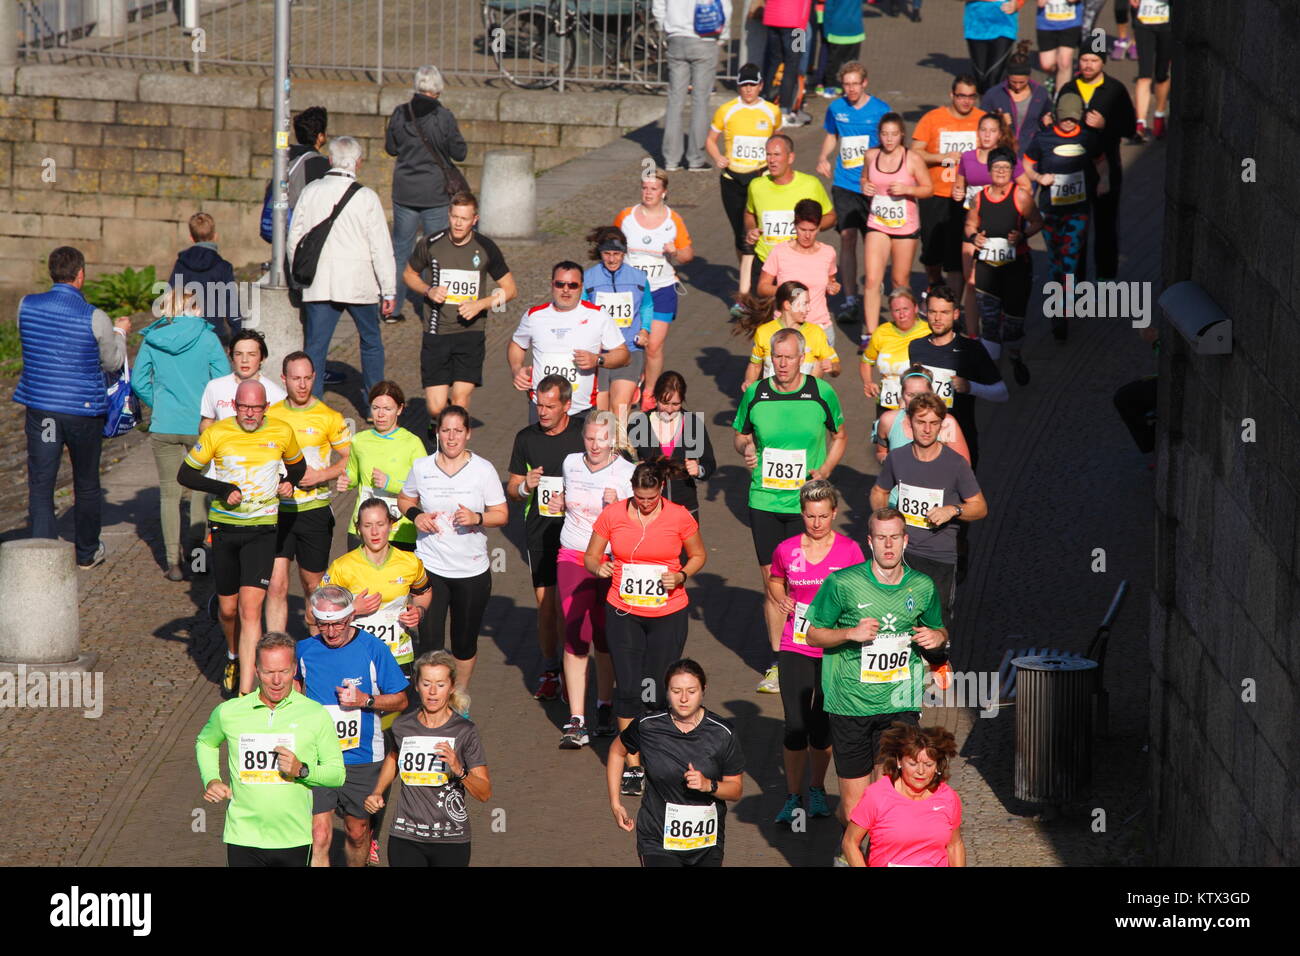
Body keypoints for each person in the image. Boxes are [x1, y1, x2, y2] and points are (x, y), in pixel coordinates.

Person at [804, 507, 948, 864]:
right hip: (850, 703)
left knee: (894, 798)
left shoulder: (922, 586)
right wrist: (849, 634)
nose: (888, 545)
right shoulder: (842, 584)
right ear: (869, 541)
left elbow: (940, 630)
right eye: (881, 538)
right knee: (857, 808)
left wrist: (936, 636)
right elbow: (813, 634)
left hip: (900, 702)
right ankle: (848, 851)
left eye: (894, 537)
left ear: (905, 540)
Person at [177, 379, 315, 695]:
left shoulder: (281, 431)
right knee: (228, 610)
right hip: (225, 530)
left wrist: (286, 481)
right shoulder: (217, 433)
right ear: (234, 406)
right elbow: (186, 474)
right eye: (243, 407)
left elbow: (298, 467)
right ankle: (233, 654)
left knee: (250, 610)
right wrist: (223, 489)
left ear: (266, 407)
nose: (250, 413)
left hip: (262, 531)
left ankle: (246, 692)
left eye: (256, 407)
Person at [733, 327, 847, 695]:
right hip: (765, 501)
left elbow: (841, 435)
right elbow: (740, 435)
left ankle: (820, 650)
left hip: (807, 504)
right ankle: (780, 660)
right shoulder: (756, 393)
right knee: (774, 584)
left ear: (802, 358)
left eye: (788, 357)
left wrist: (825, 471)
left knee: (815, 580)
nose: (782, 364)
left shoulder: (820, 392)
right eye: (776, 357)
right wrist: (746, 450)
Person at [584, 462, 706, 795]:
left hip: (668, 612)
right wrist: (601, 567)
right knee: (628, 689)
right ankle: (634, 766)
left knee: (655, 688)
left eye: (651, 498)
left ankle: (659, 753)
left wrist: (681, 575)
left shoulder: (679, 515)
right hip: (624, 611)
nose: (645, 503)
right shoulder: (613, 514)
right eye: (639, 497)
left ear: (661, 489)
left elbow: (698, 554)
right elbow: (590, 557)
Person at [14, 246, 129, 570]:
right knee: (87, 482)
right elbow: (112, 361)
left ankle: (43, 556)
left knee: (41, 481)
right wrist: (119, 334)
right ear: (80, 275)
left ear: (52, 272)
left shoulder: (26, 305)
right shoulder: (95, 317)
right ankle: (87, 552)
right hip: (83, 411)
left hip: (42, 410)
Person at [196, 631, 345, 868]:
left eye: (283, 671)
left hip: (294, 837)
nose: (277, 681)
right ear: (256, 670)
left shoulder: (315, 714)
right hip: (243, 835)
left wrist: (302, 770)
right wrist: (212, 780)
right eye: (268, 672)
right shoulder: (230, 712)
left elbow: (337, 773)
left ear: (294, 669)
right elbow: (205, 742)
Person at [767, 480, 864, 825]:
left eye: (823, 516)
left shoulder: (850, 551)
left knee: (822, 726)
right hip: (797, 643)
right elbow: (776, 579)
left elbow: (860, 593)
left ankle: (817, 789)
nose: (817, 523)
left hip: (835, 650)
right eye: (810, 516)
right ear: (803, 514)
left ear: (834, 513)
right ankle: (793, 796)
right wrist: (780, 597)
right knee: (795, 725)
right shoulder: (786, 549)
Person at [296, 585, 409, 867]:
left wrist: (365, 699)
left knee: (357, 832)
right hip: (319, 757)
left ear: (351, 618)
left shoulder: (374, 649)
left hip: (362, 758)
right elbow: (291, 687)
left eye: (338, 624)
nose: (331, 632)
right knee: (319, 833)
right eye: (324, 625)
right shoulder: (304, 650)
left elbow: (401, 700)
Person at [397, 405, 508, 692]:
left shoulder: (483, 470)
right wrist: (416, 516)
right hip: (431, 567)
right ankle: (429, 703)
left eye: (458, 430)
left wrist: (477, 518)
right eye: (445, 430)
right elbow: (405, 499)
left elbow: (502, 513)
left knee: (463, 643)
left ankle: (458, 700)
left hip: (471, 571)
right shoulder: (422, 467)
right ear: (437, 432)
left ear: (468, 434)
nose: (451, 437)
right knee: (430, 642)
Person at [131, 285, 229, 580]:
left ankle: (173, 562)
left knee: (169, 494)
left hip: (164, 424)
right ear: (195, 308)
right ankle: (198, 554)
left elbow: (138, 382)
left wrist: (157, 402)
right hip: (200, 425)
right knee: (200, 490)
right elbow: (222, 381)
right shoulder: (208, 338)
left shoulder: (153, 338)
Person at [288, 136, 397, 397]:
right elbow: (381, 247)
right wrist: (389, 290)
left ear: (330, 160)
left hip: (319, 282)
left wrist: (298, 277)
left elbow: (294, 239)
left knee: (316, 346)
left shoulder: (311, 191)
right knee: (371, 342)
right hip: (359, 284)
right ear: (358, 163)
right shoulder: (367, 197)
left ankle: (311, 403)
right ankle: (374, 403)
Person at [608, 659, 744, 866]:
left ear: (703, 690)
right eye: (676, 690)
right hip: (657, 837)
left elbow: (735, 790)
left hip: (707, 842)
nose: (683, 699)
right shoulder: (648, 726)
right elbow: (617, 752)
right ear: (667, 691)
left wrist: (709, 785)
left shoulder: (722, 732)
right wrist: (616, 804)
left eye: (691, 691)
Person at [870, 393, 989, 626]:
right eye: (920, 422)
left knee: (934, 630)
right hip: (900, 554)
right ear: (909, 423)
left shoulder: (955, 464)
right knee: (895, 623)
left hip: (938, 558)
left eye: (933, 423)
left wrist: (952, 510)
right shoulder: (897, 458)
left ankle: (937, 663)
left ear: (941, 425)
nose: (926, 429)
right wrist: (883, 524)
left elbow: (980, 507)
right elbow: (878, 492)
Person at [553, 411, 635, 747]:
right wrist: (559, 503)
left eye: (602, 439)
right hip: (573, 553)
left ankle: (603, 705)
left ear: (613, 440)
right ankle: (576, 719)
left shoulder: (627, 472)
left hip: (612, 558)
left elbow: (639, 519)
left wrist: (620, 508)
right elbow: (563, 502)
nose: (595, 445)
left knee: (604, 634)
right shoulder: (570, 463)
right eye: (590, 438)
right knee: (576, 633)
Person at [365, 651, 491, 867]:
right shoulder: (402, 726)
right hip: (406, 836)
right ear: (416, 686)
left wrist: (458, 769)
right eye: (426, 684)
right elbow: (393, 758)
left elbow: (485, 792)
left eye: (440, 685)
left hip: (451, 838)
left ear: (451, 687)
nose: (432, 692)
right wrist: (377, 792)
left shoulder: (465, 731)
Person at [403, 190, 516, 426]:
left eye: (464, 219)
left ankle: (451, 450)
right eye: (454, 217)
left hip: (470, 333)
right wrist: (427, 290)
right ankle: (439, 425)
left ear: (475, 219)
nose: (458, 223)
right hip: (437, 333)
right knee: (435, 407)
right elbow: (409, 274)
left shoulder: (485, 247)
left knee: (460, 399)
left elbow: (509, 289)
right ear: (449, 215)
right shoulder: (431, 244)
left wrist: (480, 304)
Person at [505, 375, 587, 702]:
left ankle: (574, 668)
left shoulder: (584, 433)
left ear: (567, 405)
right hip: (540, 531)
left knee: (572, 607)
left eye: (550, 406)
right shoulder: (526, 438)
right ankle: (551, 670)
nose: (542, 411)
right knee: (546, 606)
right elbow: (512, 490)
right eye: (539, 404)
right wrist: (525, 485)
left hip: (579, 533)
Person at [264, 353, 352, 635]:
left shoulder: (330, 417)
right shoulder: (271, 415)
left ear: (314, 378)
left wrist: (322, 475)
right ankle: (275, 649)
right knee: (276, 584)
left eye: (306, 378)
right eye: (295, 378)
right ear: (284, 379)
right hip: (277, 511)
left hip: (313, 511)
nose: (301, 385)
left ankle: (315, 651)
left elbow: (351, 458)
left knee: (313, 585)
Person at [385, 65, 468, 323]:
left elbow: (391, 148)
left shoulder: (400, 113)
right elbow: (460, 153)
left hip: (405, 193)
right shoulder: (444, 117)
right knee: (436, 252)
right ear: (439, 89)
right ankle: (433, 309)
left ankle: (392, 308)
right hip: (435, 194)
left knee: (401, 251)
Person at [1023, 92, 1107, 339]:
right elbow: (1026, 164)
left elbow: (1102, 161)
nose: (1068, 122)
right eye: (1064, 118)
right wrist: (1039, 178)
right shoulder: (1043, 138)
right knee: (1054, 261)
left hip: (1077, 211)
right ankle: (1056, 306)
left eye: (1073, 118)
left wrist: (1103, 181)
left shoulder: (1087, 138)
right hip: (1050, 210)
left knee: (1069, 260)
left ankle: (1062, 312)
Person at [318, 498, 432, 680]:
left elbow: (423, 592)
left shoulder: (410, 562)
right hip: (355, 656)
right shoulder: (342, 567)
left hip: (398, 656)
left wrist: (419, 611)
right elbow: (313, 613)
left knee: (397, 706)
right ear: (359, 529)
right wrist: (351, 609)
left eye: (380, 524)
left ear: (391, 525)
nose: (374, 532)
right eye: (367, 525)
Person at [813, 61, 891, 325]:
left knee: (874, 241)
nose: (851, 89)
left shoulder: (880, 110)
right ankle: (849, 299)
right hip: (845, 183)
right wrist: (824, 156)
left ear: (865, 83)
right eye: (846, 84)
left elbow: (890, 144)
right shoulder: (836, 107)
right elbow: (832, 135)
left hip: (872, 187)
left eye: (855, 84)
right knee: (847, 238)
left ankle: (873, 286)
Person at [614, 170, 694, 410]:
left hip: (661, 289)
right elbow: (611, 242)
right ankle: (625, 384)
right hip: (631, 292)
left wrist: (675, 252)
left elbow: (688, 254)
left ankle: (649, 392)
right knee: (628, 342)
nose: (648, 193)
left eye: (654, 188)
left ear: (664, 192)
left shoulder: (673, 220)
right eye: (645, 188)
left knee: (654, 345)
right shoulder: (626, 216)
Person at [509, 262, 630, 419]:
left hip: (580, 411)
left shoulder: (598, 315)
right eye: (560, 284)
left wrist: (598, 359)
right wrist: (516, 369)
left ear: (581, 287)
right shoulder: (534, 316)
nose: (566, 290)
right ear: (552, 284)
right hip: (542, 409)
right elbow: (517, 344)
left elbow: (624, 356)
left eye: (572, 285)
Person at [705, 63, 783, 305]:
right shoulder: (726, 110)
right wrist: (717, 157)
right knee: (740, 233)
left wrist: (775, 167)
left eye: (752, 85)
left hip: (760, 178)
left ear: (760, 85)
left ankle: (761, 279)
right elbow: (710, 140)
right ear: (738, 86)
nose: (748, 90)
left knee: (761, 230)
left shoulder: (772, 111)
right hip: (732, 179)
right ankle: (747, 278)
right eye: (744, 85)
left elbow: (778, 142)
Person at [965, 147, 1043, 384]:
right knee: (988, 322)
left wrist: (1022, 235)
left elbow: (1037, 222)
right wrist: (973, 237)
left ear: (1011, 172)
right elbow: (969, 224)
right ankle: (991, 374)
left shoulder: (1020, 196)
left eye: (1005, 168)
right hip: (988, 268)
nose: (1000, 171)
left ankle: (1015, 356)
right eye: (997, 167)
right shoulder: (979, 198)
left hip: (1016, 270)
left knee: (1013, 325)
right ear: (989, 170)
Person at [907, 285, 1006, 471]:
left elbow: (1002, 393)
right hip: (922, 440)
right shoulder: (916, 347)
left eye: (944, 312)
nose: (937, 318)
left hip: (959, 440)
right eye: (933, 312)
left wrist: (970, 387)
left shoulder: (971, 349)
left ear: (955, 314)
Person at [1058, 49, 1136, 282]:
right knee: (1075, 227)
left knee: (1106, 225)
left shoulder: (1115, 90)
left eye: (1094, 60)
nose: (1088, 65)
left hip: (1107, 169)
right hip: (1074, 170)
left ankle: (1105, 278)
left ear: (1103, 62)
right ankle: (1077, 279)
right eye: (1084, 59)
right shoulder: (1069, 89)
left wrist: (1105, 124)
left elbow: (1130, 128)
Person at [842, 722, 965, 866]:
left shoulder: (948, 798)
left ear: (938, 765)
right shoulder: (877, 795)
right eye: (913, 764)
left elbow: (955, 846)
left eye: (928, 765)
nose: (921, 771)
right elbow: (849, 842)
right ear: (899, 761)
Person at [954, 112, 1029, 332]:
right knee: (971, 282)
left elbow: (1026, 187)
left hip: (1000, 229)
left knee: (999, 280)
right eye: (983, 130)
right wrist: (958, 193)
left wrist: (1005, 197)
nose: (987, 135)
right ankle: (973, 335)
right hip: (973, 227)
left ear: (1000, 134)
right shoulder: (967, 157)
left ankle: (1000, 321)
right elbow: (959, 188)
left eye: (992, 130)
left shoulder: (1005, 159)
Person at [861, 113, 932, 341]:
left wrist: (908, 190)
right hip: (878, 223)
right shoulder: (871, 155)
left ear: (902, 134)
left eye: (893, 134)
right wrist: (866, 186)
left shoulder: (912, 159)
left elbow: (928, 188)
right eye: (884, 134)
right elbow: (864, 178)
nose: (889, 139)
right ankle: (870, 334)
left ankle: (906, 330)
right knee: (872, 279)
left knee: (900, 282)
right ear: (879, 135)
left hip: (904, 226)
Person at [912, 77, 985, 294]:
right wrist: (942, 156)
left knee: (956, 251)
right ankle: (934, 283)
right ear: (952, 95)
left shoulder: (982, 120)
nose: (966, 101)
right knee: (931, 248)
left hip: (968, 196)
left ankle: (952, 304)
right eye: (962, 96)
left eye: (971, 96)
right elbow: (915, 152)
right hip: (935, 193)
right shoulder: (933, 119)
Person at [337, 381, 425, 552]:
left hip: (399, 531)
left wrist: (389, 484)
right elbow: (354, 474)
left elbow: (424, 489)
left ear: (399, 409)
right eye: (376, 408)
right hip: (362, 528)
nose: (381, 415)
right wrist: (347, 480)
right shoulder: (359, 440)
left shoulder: (412, 443)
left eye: (387, 409)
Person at [743, 135, 835, 295]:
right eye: (768, 154)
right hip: (765, 264)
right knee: (760, 318)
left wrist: (810, 229)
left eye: (777, 155)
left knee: (797, 316)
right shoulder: (756, 185)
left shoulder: (810, 184)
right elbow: (749, 213)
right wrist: (752, 229)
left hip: (798, 264)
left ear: (790, 157)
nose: (771, 160)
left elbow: (831, 216)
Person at [582, 227, 653, 417]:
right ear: (600, 253)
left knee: (620, 406)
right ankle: (605, 445)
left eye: (617, 254)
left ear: (624, 253)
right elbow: (582, 313)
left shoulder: (639, 278)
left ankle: (621, 446)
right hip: (599, 352)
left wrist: (645, 330)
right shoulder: (588, 279)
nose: (612, 259)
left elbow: (646, 306)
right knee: (601, 412)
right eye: (607, 254)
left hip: (630, 349)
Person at [627, 371, 716, 521]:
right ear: (655, 398)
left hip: (685, 507)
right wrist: (635, 465)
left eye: (675, 404)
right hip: (647, 508)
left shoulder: (693, 424)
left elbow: (709, 462)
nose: (669, 410)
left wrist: (699, 470)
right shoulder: (639, 423)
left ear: (683, 400)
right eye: (664, 403)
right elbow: (622, 460)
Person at [653, 0, 728, 172]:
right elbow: (725, 7)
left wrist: (665, 27)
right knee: (700, 101)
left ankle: (671, 159)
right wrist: (723, 36)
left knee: (675, 101)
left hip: (676, 37)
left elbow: (658, 6)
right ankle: (696, 159)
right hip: (705, 37)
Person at [757, 198, 841, 335]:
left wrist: (833, 287)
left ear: (819, 227)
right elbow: (762, 287)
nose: (807, 235)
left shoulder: (828, 252)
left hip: (820, 328)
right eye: (802, 229)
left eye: (812, 230)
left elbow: (830, 282)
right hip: (787, 328)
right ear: (795, 226)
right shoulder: (780, 251)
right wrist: (787, 291)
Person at [736, 281, 840, 391]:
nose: (808, 309)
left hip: (803, 402)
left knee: (817, 364)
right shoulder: (764, 332)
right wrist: (749, 382)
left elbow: (836, 367)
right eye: (804, 304)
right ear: (787, 305)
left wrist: (831, 367)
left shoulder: (816, 333)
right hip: (772, 400)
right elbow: (755, 366)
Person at [873, 366, 973, 467]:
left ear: (931, 393)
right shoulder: (888, 420)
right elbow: (880, 452)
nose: (916, 400)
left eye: (922, 395)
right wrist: (886, 461)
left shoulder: (947, 422)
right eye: (910, 395)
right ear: (902, 394)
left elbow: (964, 466)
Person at [168, 212, 241, 344]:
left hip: (185, 332)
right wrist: (237, 335)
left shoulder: (181, 265)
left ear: (191, 238)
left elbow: (171, 297)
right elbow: (231, 305)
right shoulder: (223, 267)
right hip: (214, 333)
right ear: (215, 236)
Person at [860, 288, 932, 416]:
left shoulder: (929, 331)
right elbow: (866, 361)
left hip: (920, 405)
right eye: (897, 310)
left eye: (906, 309)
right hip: (887, 405)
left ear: (915, 308)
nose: (902, 315)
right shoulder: (881, 332)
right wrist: (868, 382)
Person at [198, 329, 286, 430]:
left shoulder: (278, 395)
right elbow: (207, 422)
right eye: (239, 354)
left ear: (262, 358)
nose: (244, 360)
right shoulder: (214, 387)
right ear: (230, 355)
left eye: (251, 354)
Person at [980, 48, 1054, 152]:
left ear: (1029, 76)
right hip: (1001, 153)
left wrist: (1047, 122)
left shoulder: (1041, 93)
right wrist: (998, 121)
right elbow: (981, 123)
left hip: (1031, 152)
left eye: (1022, 82)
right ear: (1007, 76)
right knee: (948, 166)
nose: (1017, 86)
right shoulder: (993, 94)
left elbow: (1048, 120)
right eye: (1013, 82)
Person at [761, 0, 815, 126]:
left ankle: (766, 102)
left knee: (773, 62)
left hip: (772, 18)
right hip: (796, 23)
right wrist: (802, 25)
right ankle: (785, 110)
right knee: (793, 64)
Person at [1129, 0, 1172, 143]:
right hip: (1144, 22)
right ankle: (1140, 124)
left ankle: (1159, 115)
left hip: (1167, 23)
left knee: (1161, 74)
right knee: (1144, 74)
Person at [963, 0, 1027, 95]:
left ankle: (997, 107)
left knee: (995, 76)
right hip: (976, 25)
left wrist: (1017, 3)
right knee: (981, 79)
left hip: (1004, 24)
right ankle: (986, 106)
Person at [1036, 0, 1084, 96]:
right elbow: (1040, 3)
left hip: (1071, 23)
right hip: (1046, 24)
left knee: (1065, 62)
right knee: (1046, 64)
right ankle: (1053, 77)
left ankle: (1059, 97)